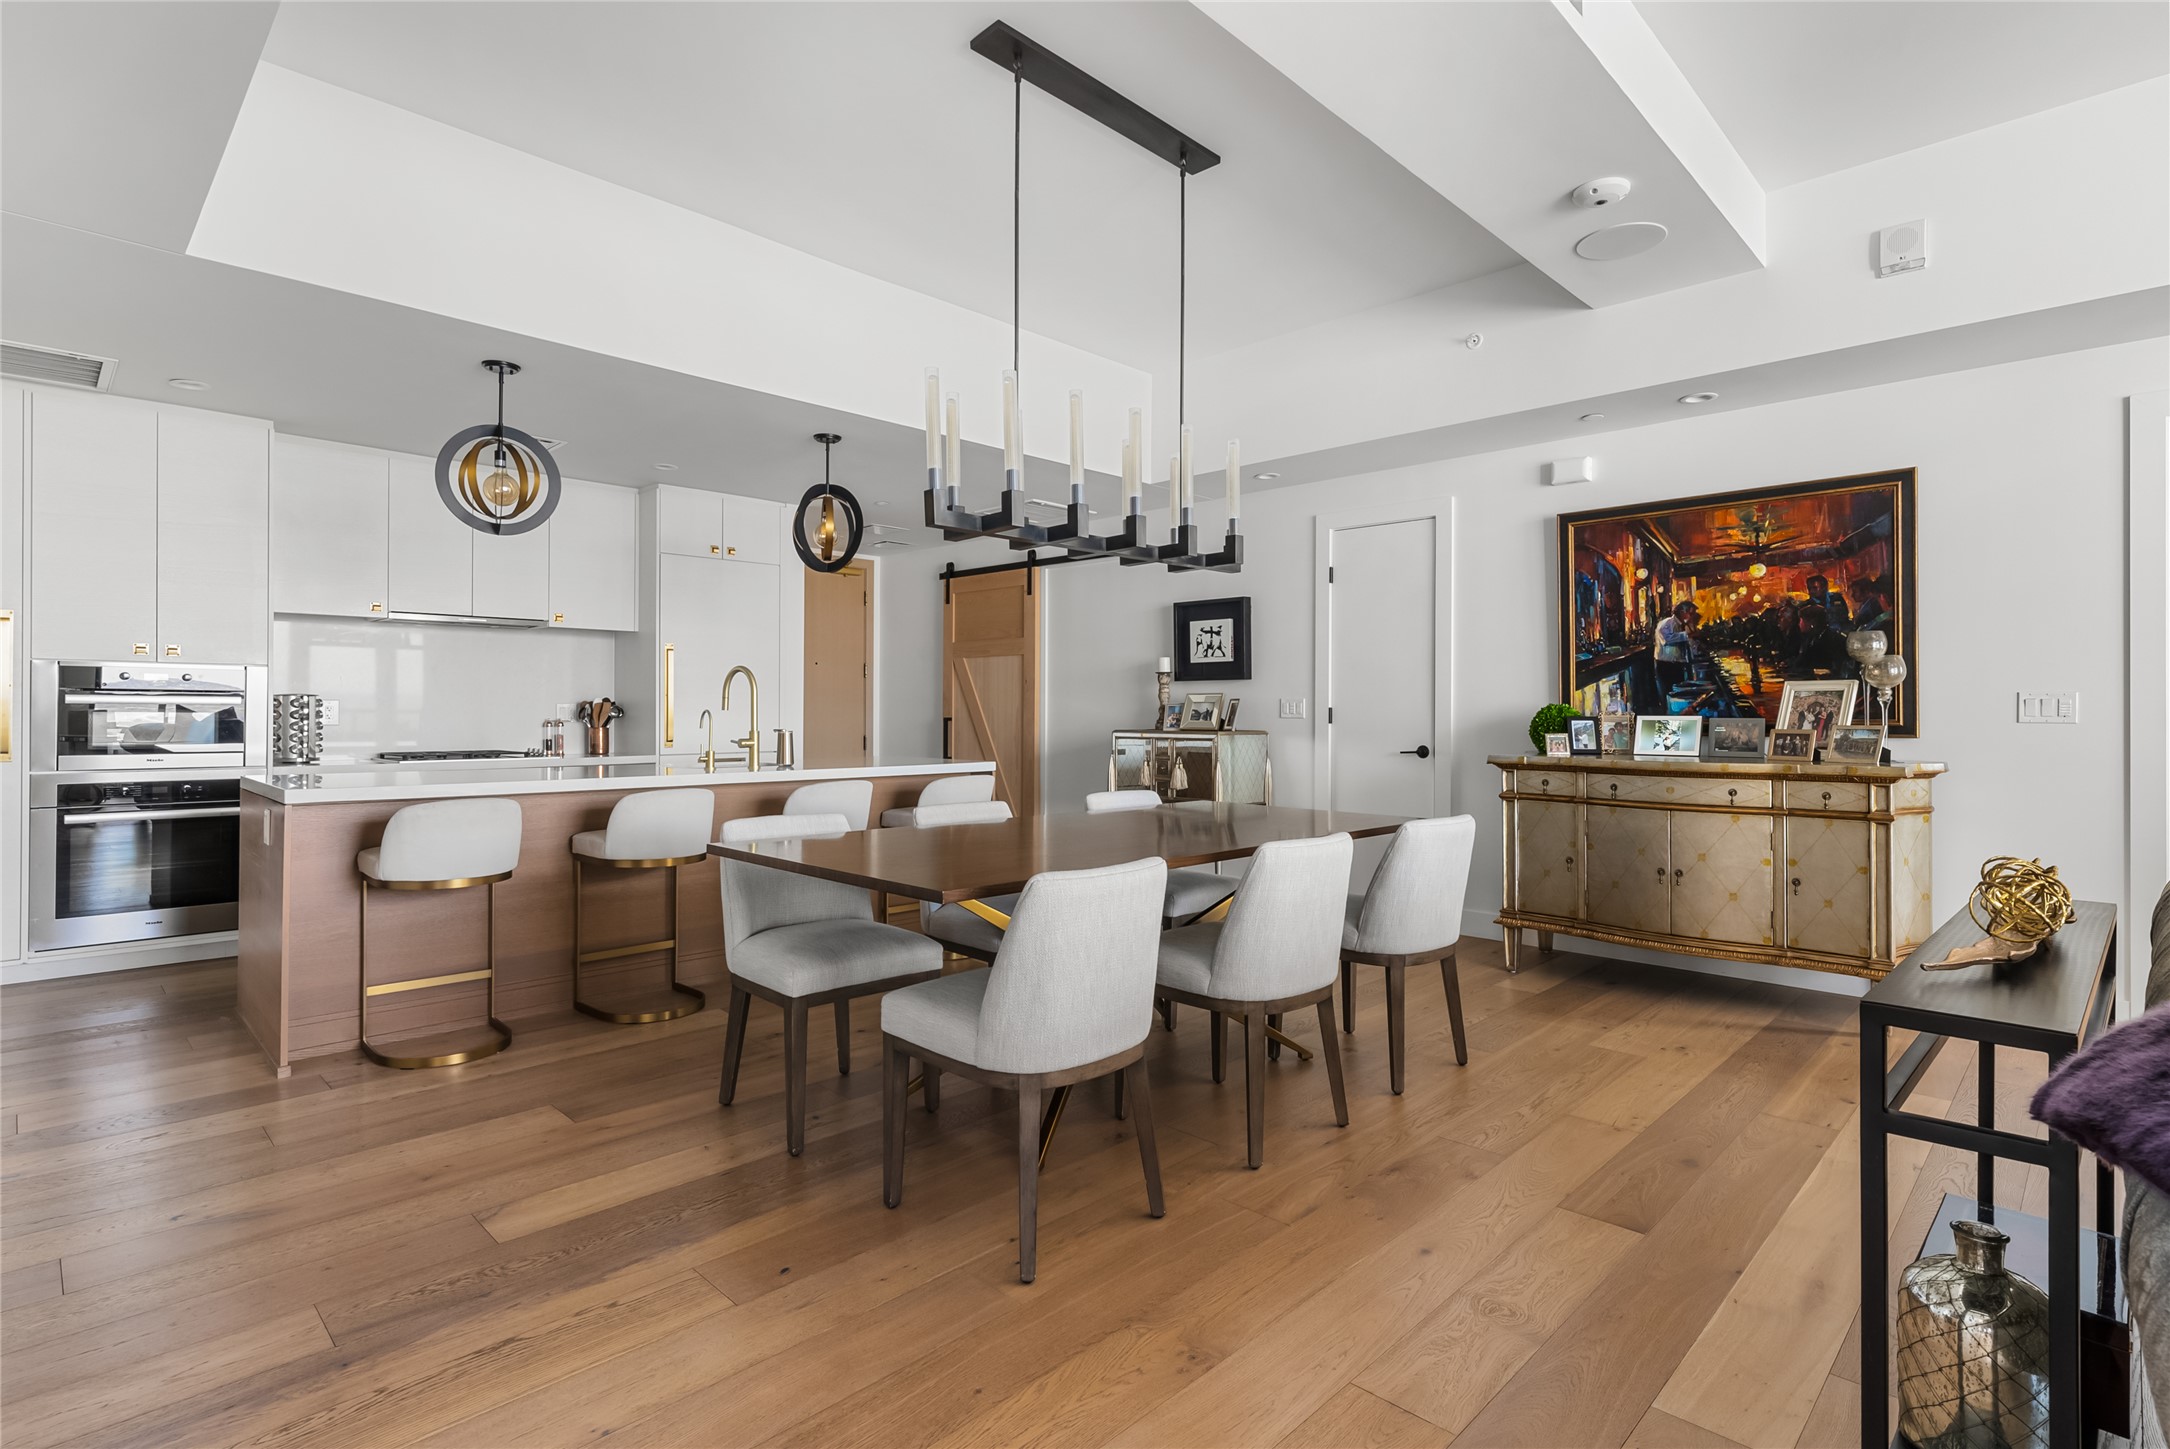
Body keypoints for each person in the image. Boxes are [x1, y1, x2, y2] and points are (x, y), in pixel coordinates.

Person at [1785, 604, 1852, 677]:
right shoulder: (1810, 637)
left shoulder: (1831, 639)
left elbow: (1833, 667)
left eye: (1801, 620)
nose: (1799, 624)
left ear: (1811, 622)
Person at [1652, 601, 1698, 697]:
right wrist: (1688, 635)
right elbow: (1667, 639)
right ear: (1682, 612)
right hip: (1666, 665)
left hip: (1678, 665)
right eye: (1691, 613)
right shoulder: (1667, 623)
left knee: (1679, 693)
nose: (1692, 616)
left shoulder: (1684, 626)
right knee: (1669, 693)